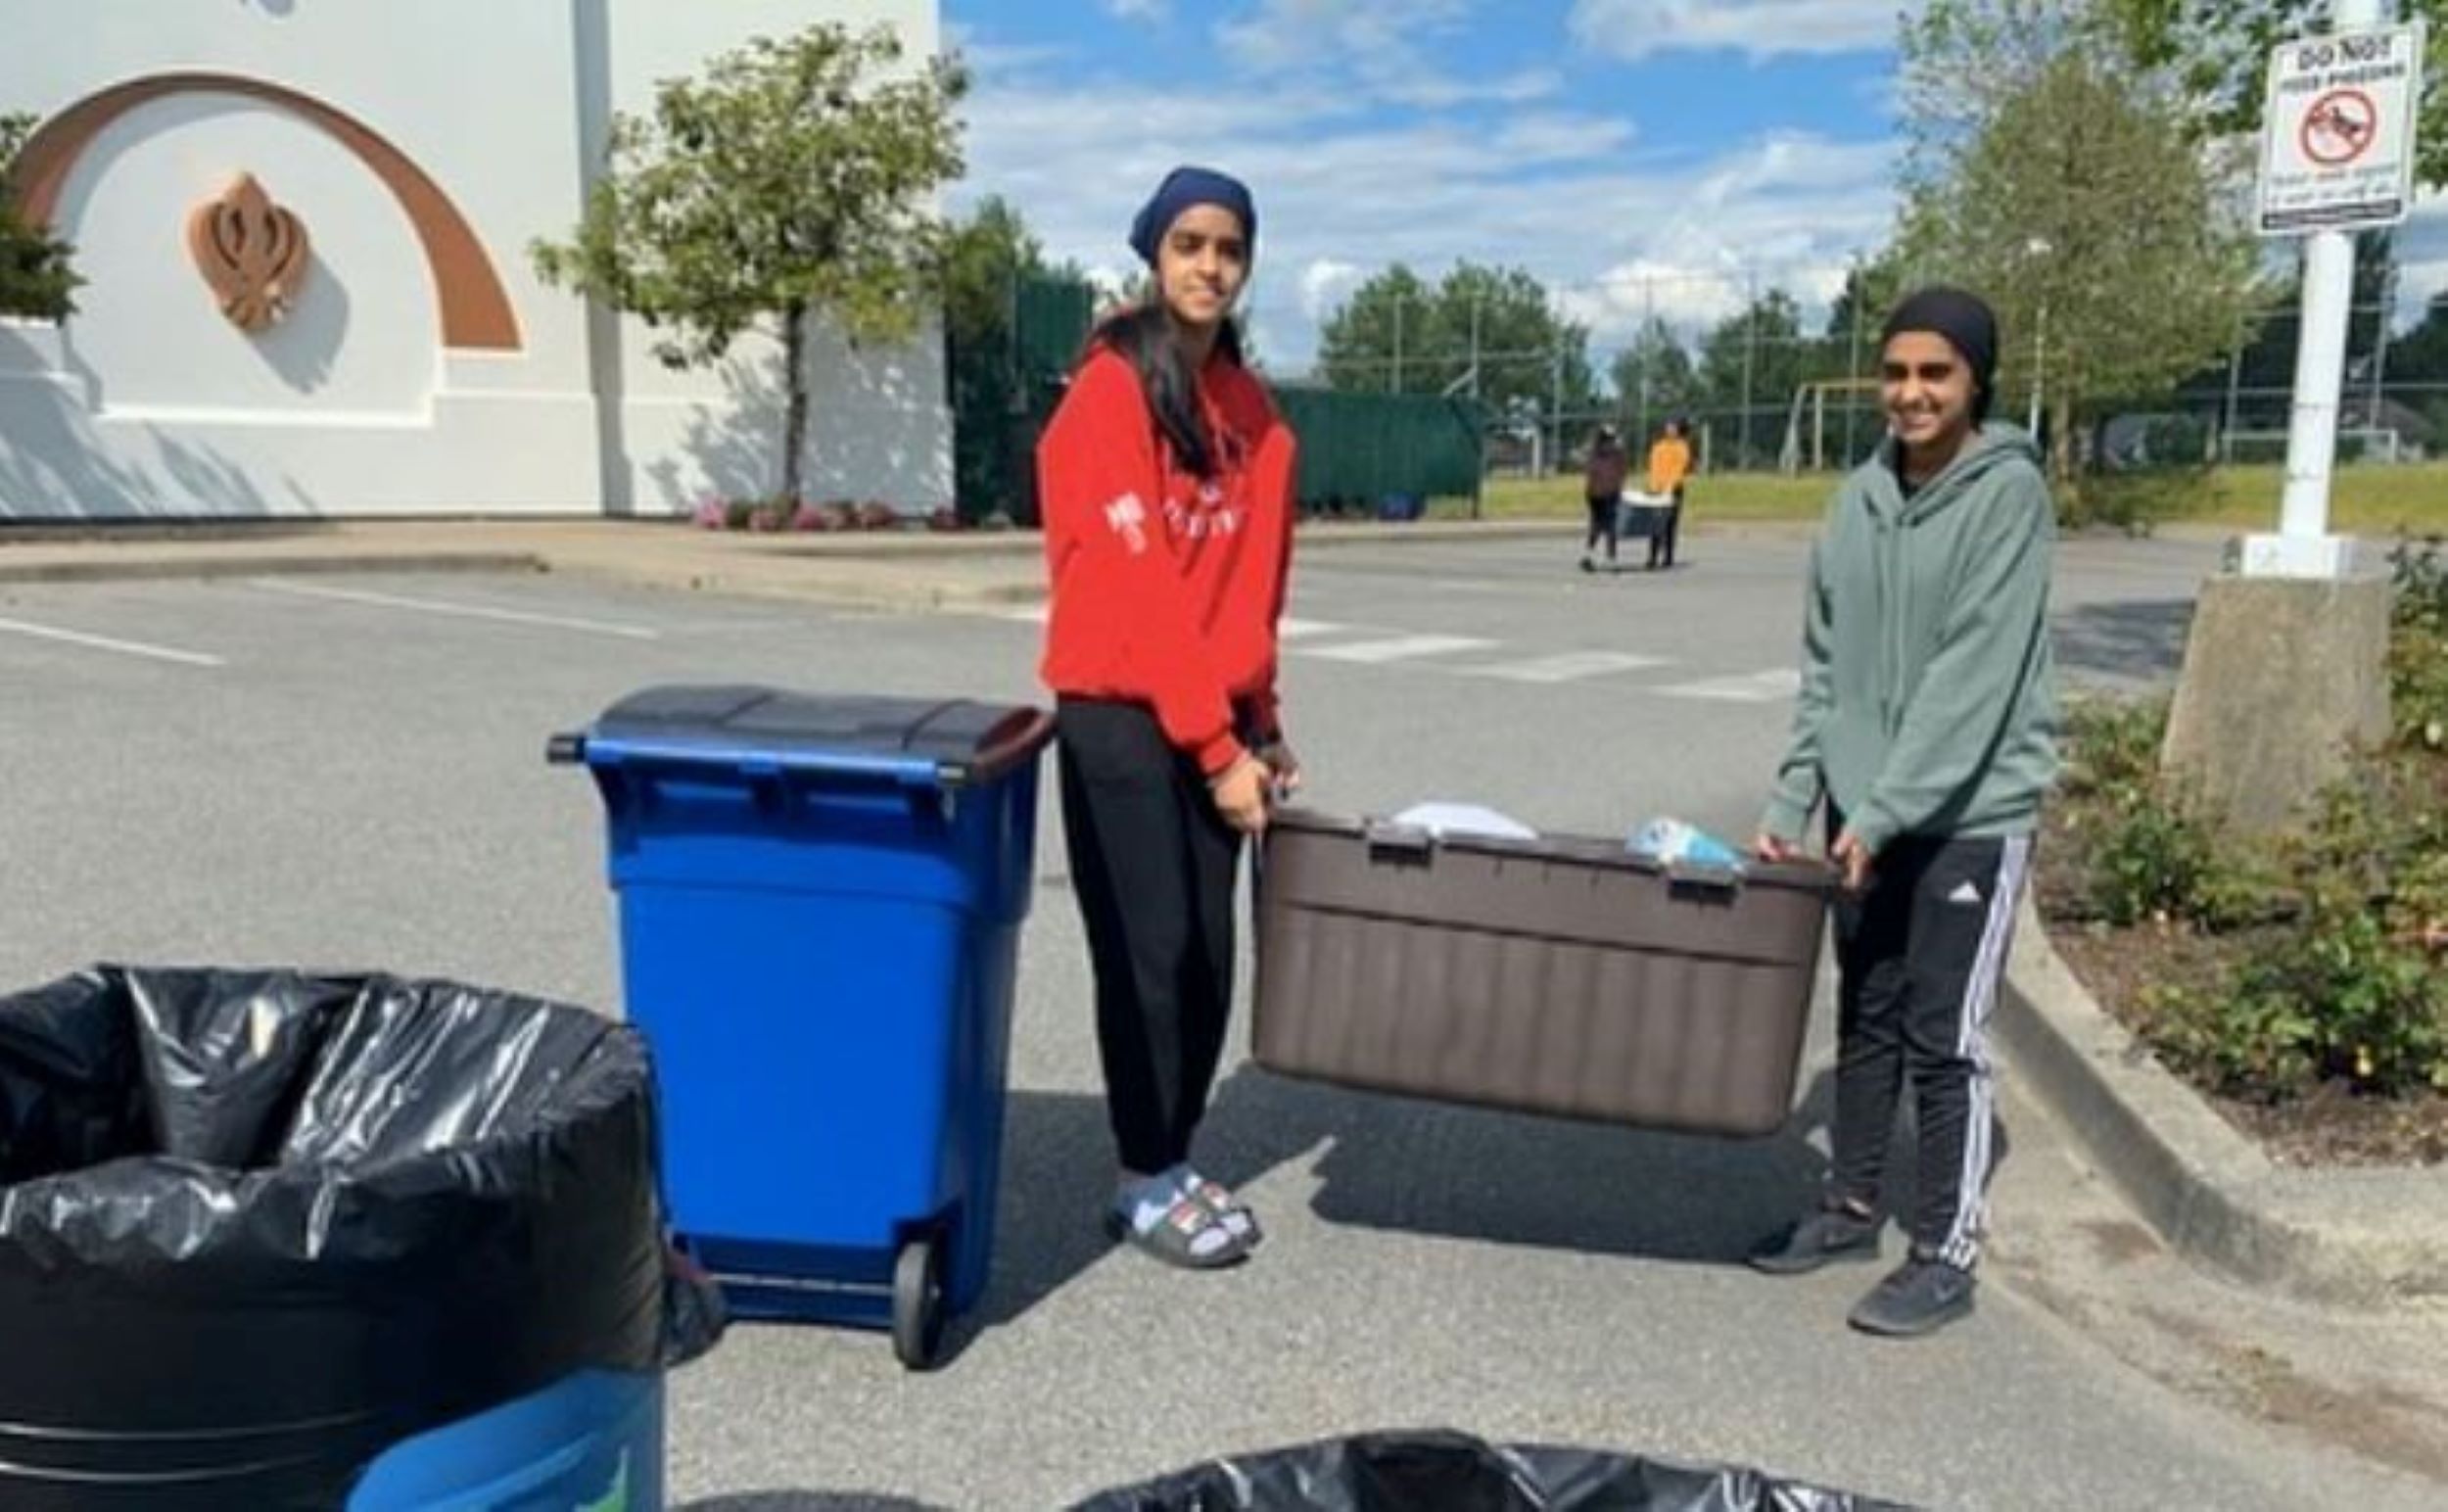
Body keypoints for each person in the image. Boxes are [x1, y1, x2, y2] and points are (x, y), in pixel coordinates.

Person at [1746, 286, 2060, 1339]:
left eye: (1936, 372)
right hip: (1863, 810)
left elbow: (1973, 676)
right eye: (1896, 372)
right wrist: (1796, 795)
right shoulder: (1856, 501)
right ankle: (1849, 1205)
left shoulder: (2008, 496)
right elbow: (1825, 667)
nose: (1912, 392)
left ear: (1976, 381)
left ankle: (1944, 1252)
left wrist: (1881, 811)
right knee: (1867, 1012)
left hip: (1969, 810)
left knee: (1944, 1033)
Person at [1035, 165, 1298, 1271]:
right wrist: (1214, 744)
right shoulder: (1109, 391)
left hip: (1212, 717)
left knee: (1207, 958)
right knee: (1150, 952)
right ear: (1154, 253)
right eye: (1189, 244)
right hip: (1122, 713)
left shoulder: (1255, 416)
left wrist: (1260, 721)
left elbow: (1252, 587)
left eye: (1229, 249)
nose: (1210, 266)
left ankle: (1175, 1157)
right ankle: (1140, 1175)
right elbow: (1139, 592)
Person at [1644, 417, 1693, 570]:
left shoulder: (1682, 447)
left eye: (1673, 427)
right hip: (1657, 490)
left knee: (1670, 524)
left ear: (1679, 430)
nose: (1670, 430)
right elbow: (1654, 467)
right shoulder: (1658, 446)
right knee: (1654, 523)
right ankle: (1652, 557)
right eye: (1668, 427)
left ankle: (1668, 557)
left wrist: (1671, 486)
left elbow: (1681, 467)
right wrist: (1654, 486)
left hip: (1673, 490)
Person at [1580, 424, 1629, 572]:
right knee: (1610, 526)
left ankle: (1588, 556)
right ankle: (1610, 559)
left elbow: (1589, 471)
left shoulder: (1593, 452)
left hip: (1593, 493)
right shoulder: (1616, 453)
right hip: (1608, 492)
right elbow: (1622, 472)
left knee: (1596, 524)